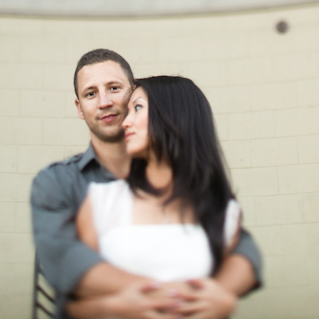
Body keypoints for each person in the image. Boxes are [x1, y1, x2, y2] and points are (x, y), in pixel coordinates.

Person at [31, 49, 262, 319]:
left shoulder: (192, 189)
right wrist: (162, 296)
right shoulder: (60, 182)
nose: (104, 102)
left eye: (114, 88)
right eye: (90, 93)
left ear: (133, 93)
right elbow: (65, 262)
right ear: (79, 108)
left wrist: (220, 293)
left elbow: (240, 246)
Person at [68, 75, 242, 318]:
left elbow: (216, 295)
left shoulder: (225, 213)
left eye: (137, 108)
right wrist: (117, 306)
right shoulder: (101, 201)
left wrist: (223, 303)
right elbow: (74, 307)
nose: (125, 122)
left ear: (175, 114)